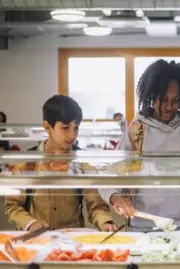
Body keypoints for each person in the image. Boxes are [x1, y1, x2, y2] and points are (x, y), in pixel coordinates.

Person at [99, 59, 180, 232]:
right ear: (150, 96)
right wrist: (115, 197)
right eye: (163, 100)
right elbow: (110, 176)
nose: (168, 107)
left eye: (175, 100)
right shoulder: (136, 132)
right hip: (142, 225)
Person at [4, 95, 117, 232]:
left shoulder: (82, 165)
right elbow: (13, 206)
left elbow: (97, 207)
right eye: (65, 128)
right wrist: (30, 223)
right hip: (37, 240)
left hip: (72, 241)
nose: (72, 136)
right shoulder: (26, 164)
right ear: (47, 127)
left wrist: (105, 222)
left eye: (76, 128)